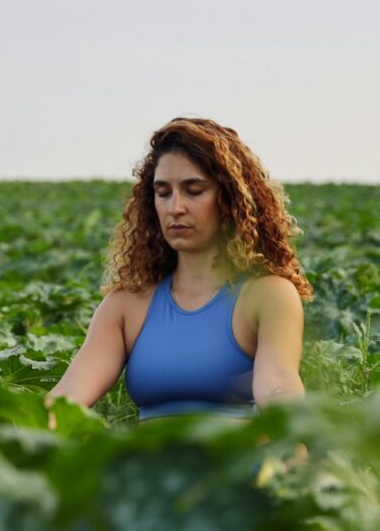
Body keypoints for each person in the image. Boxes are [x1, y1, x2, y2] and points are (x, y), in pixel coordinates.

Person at [45, 117, 313, 432]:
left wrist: (299, 462)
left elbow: (278, 387)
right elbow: (66, 398)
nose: (175, 207)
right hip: (151, 477)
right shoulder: (126, 305)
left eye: (194, 190)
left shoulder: (268, 294)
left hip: (240, 476)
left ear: (229, 200)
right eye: (163, 192)